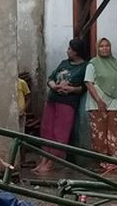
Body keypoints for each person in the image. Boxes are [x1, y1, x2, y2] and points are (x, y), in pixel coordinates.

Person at [34, 39, 88, 173]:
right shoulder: (64, 63)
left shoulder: (85, 67)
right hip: (53, 99)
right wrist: (54, 86)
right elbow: (51, 78)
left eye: (70, 49)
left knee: (60, 133)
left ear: (76, 52)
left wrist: (71, 89)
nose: (67, 51)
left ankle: (51, 162)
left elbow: (84, 87)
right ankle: (43, 160)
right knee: (47, 131)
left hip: (68, 102)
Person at [84, 37, 117, 162]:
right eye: (101, 46)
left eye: (107, 46)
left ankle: (114, 159)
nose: (104, 48)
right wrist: (99, 100)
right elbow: (88, 83)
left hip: (115, 101)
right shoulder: (93, 63)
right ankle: (103, 160)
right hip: (97, 102)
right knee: (99, 132)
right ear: (97, 48)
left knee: (114, 131)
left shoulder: (115, 62)